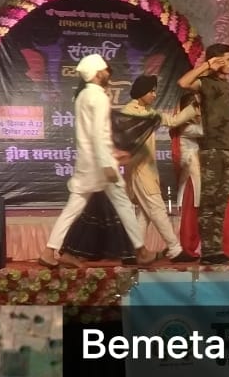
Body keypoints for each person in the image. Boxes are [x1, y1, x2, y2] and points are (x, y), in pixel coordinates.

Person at [38, 54, 156, 268]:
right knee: (123, 204)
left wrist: (110, 154)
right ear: (97, 73)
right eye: (104, 70)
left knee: (75, 207)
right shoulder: (99, 97)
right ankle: (141, 251)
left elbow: (92, 134)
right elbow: (99, 134)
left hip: (87, 162)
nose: (107, 73)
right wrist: (108, 162)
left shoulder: (83, 96)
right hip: (100, 165)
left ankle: (49, 251)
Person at [117, 74, 199, 263]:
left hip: (147, 170)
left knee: (145, 213)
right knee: (157, 209)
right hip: (139, 170)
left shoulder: (148, 112)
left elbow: (172, 121)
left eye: (155, 91)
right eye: (151, 91)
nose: (154, 95)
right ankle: (175, 250)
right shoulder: (130, 112)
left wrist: (194, 106)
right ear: (141, 92)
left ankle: (133, 253)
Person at [177, 44, 229, 265]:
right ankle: (208, 251)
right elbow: (183, 83)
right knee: (209, 201)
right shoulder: (204, 83)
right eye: (228, 59)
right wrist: (206, 65)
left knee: (221, 203)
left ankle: (217, 249)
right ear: (218, 61)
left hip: (227, 151)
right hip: (211, 150)